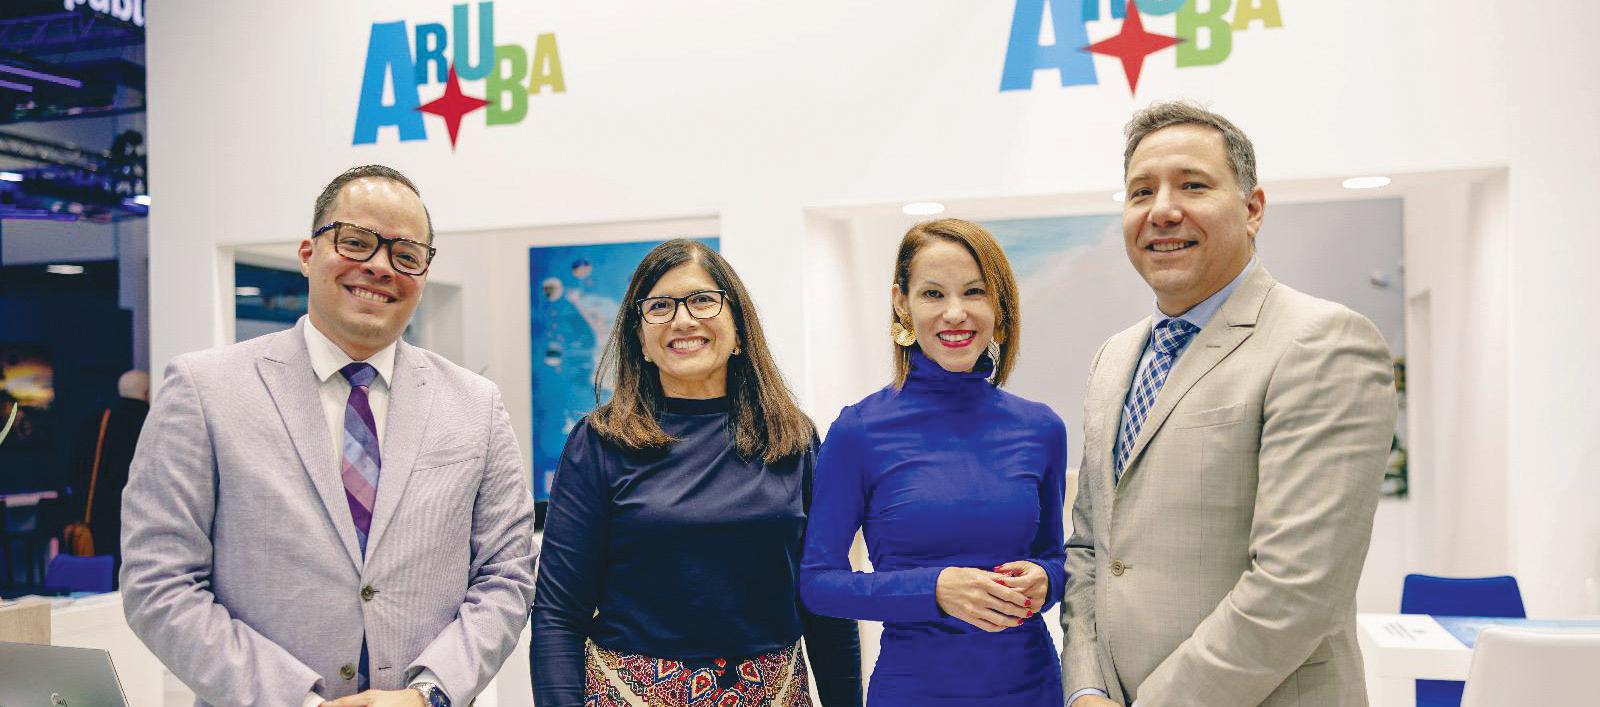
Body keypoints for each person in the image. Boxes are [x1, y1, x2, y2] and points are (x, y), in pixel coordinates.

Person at [120, 165, 536, 707]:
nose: (380, 266)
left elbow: (507, 577)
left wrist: (428, 694)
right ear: (307, 253)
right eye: (356, 242)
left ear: (424, 273)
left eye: (406, 254)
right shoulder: (205, 390)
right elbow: (159, 582)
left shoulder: (476, 405)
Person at [1062, 102, 1398, 707]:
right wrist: (1085, 687)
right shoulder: (1113, 359)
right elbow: (1090, 550)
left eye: (1193, 185)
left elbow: (1297, 590)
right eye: (1141, 192)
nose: (1162, 210)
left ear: (1252, 209)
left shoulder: (1322, 342)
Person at [530, 239, 862, 707]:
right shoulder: (600, 442)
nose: (683, 319)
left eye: (703, 300)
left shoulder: (792, 437)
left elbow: (825, 602)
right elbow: (559, 614)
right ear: (641, 340)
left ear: (739, 329)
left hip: (775, 694)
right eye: (660, 306)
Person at [800, 218, 1068, 706]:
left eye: (974, 292)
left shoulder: (1041, 427)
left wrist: (1046, 579)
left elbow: (1055, 557)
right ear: (901, 303)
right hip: (915, 691)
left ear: (999, 305)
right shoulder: (860, 430)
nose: (955, 313)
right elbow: (818, 584)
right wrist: (936, 589)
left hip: (1033, 688)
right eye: (932, 294)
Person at [67, 369, 150, 573]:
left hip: (98, 517)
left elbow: (76, 469)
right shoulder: (148, 422)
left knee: (100, 578)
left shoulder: (98, 420)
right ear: (147, 393)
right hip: (138, 518)